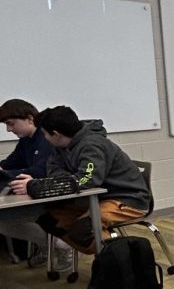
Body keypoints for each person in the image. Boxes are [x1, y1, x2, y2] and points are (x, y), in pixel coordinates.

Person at [21, 107, 151, 255]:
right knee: (49, 220)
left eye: (44, 133)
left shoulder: (92, 145)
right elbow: (53, 170)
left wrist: (35, 186)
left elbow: (87, 180)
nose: (44, 137)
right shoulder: (60, 147)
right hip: (95, 199)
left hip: (128, 199)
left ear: (56, 134)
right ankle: (109, 255)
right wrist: (68, 180)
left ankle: (124, 262)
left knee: (83, 229)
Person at [0, 98, 58, 264]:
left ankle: (58, 245)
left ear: (29, 119)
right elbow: (9, 164)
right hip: (33, 193)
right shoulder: (26, 140)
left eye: (11, 124)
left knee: (5, 221)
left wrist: (6, 174)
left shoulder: (46, 137)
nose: (9, 129)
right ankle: (50, 246)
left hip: (49, 196)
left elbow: (41, 171)